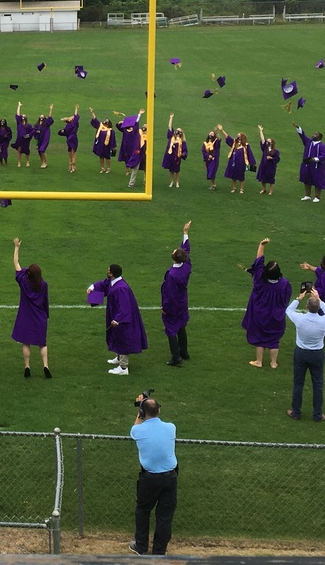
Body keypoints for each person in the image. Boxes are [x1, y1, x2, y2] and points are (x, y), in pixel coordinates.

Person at [129, 394, 178, 556]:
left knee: (143, 511)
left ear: (142, 413)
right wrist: (145, 404)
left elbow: (136, 427)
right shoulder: (171, 427)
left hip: (149, 479)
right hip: (170, 478)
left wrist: (140, 409)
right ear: (159, 411)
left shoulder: (137, 430)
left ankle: (141, 547)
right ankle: (159, 551)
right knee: (165, 516)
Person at [88, 264, 148, 376]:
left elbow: (125, 306)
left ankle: (123, 367)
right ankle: (119, 357)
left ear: (112, 274)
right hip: (115, 314)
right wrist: (92, 287)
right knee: (116, 336)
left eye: (108, 270)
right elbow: (104, 284)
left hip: (122, 319)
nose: (107, 271)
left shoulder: (121, 288)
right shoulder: (114, 282)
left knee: (122, 338)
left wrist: (118, 319)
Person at [285, 288, 325, 422]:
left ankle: (296, 412)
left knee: (298, 384)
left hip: (301, 353)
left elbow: (288, 310)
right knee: (318, 384)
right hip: (317, 354)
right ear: (318, 308)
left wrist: (299, 298)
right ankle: (317, 414)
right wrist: (319, 299)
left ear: (306, 307)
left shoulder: (300, 319)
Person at [242, 238, 291, 369]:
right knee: (274, 339)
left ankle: (259, 361)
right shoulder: (284, 284)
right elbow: (286, 299)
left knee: (260, 338)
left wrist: (261, 245)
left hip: (260, 313)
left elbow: (259, 261)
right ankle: (273, 363)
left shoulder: (260, 279)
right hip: (276, 315)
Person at [11, 237, 51, 378]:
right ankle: (45, 366)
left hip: (25, 316)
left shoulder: (23, 281)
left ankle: (27, 367)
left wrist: (16, 247)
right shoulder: (43, 284)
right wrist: (46, 315)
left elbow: (16, 263)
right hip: (39, 317)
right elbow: (45, 301)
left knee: (26, 342)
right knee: (42, 343)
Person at [161, 221, 192, 366]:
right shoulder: (186, 265)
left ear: (174, 258)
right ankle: (184, 352)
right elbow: (186, 249)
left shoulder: (172, 275)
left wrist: (166, 309)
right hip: (183, 301)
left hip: (174, 305)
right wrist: (185, 233)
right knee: (181, 326)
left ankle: (176, 357)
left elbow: (170, 295)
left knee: (171, 329)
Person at [293, 122, 325, 202]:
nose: (313, 135)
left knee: (317, 181)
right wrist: (298, 127)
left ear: (319, 137)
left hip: (317, 166)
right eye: (313, 134)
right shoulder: (308, 142)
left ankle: (317, 196)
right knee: (306, 179)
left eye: (315, 134)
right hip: (307, 165)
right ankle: (307, 195)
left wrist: (315, 159)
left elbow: (324, 155)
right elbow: (302, 136)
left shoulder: (322, 146)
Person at [219, 126, 254, 194]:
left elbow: (249, 154)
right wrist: (222, 130)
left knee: (241, 175)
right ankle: (234, 188)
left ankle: (241, 189)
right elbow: (228, 138)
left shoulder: (246, 145)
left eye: (239, 135)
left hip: (241, 162)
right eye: (237, 135)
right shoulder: (234, 143)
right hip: (233, 161)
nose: (237, 136)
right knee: (233, 175)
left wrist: (252, 163)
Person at [161, 114, 187, 188]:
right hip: (170, 155)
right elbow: (169, 127)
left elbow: (185, 150)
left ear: (181, 133)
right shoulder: (171, 137)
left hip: (177, 156)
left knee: (177, 170)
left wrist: (183, 154)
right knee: (171, 170)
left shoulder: (182, 141)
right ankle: (172, 182)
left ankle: (177, 182)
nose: (177, 131)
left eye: (178, 131)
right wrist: (171, 118)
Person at [256, 126, 280, 195]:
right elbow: (262, 139)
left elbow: (277, 159)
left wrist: (271, 158)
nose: (268, 142)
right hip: (264, 165)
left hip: (271, 166)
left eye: (269, 141)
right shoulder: (265, 148)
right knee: (262, 178)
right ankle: (264, 188)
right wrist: (261, 131)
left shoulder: (276, 151)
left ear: (272, 143)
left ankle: (271, 190)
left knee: (271, 179)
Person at [60, 105, 80, 173]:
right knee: (70, 154)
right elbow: (65, 131)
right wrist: (62, 131)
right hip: (69, 140)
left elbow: (76, 115)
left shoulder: (74, 124)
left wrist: (76, 108)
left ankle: (73, 166)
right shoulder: (67, 125)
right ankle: (70, 166)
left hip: (73, 139)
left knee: (73, 153)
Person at [33, 104, 54, 169]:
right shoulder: (37, 125)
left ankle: (45, 163)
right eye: (40, 116)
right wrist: (36, 132)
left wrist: (51, 109)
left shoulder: (46, 123)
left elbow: (50, 117)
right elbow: (34, 131)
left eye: (43, 116)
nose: (41, 117)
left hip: (45, 138)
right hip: (40, 139)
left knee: (42, 150)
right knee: (39, 151)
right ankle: (42, 162)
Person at [12, 102, 32, 168]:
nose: (23, 117)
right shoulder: (19, 123)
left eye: (24, 116)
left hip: (26, 140)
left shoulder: (29, 125)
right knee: (19, 150)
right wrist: (19, 106)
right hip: (19, 139)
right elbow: (18, 115)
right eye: (22, 116)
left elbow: (32, 132)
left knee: (26, 151)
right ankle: (19, 162)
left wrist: (28, 135)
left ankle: (27, 161)